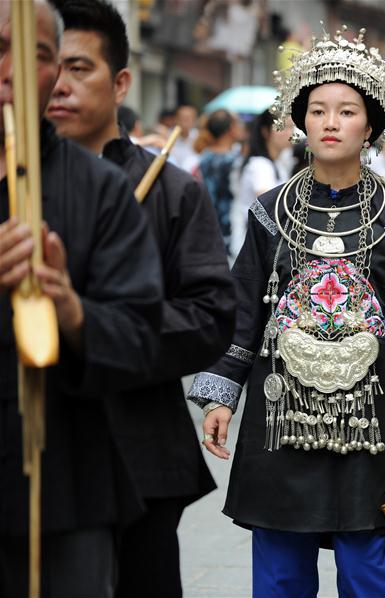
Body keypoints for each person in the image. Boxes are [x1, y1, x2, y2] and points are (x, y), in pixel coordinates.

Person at [187, 26, 385, 597]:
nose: (331, 122)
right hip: (281, 417)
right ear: (301, 121)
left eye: (346, 111)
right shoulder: (271, 211)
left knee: (364, 567)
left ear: (371, 126)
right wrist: (222, 393)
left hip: (371, 419)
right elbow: (244, 307)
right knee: (279, 566)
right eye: (318, 110)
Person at [47, 1, 237, 595]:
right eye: (50, 65)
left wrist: (99, 322)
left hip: (137, 450)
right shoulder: (17, 182)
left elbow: (210, 315)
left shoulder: (173, 192)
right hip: (37, 444)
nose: (59, 84)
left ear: (120, 81)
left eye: (80, 67)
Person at [0, 2, 165, 596]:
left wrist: (71, 308)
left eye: (36, 54)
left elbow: (144, 340)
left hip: (67, 483)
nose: (13, 69)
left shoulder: (100, 189)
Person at [229, 108, 292, 258]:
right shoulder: (260, 166)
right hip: (251, 250)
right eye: (284, 127)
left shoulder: (277, 163)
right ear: (266, 132)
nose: (291, 133)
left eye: (292, 127)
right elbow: (272, 206)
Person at [197, 108, 241, 248]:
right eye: (236, 124)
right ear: (230, 129)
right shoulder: (234, 160)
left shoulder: (203, 156)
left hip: (206, 223)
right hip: (230, 226)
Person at [169, 103, 199, 173]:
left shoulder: (198, 137)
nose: (185, 121)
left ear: (194, 120)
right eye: (182, 118)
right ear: (176, 119)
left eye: (188, 118)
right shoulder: (168, 137)